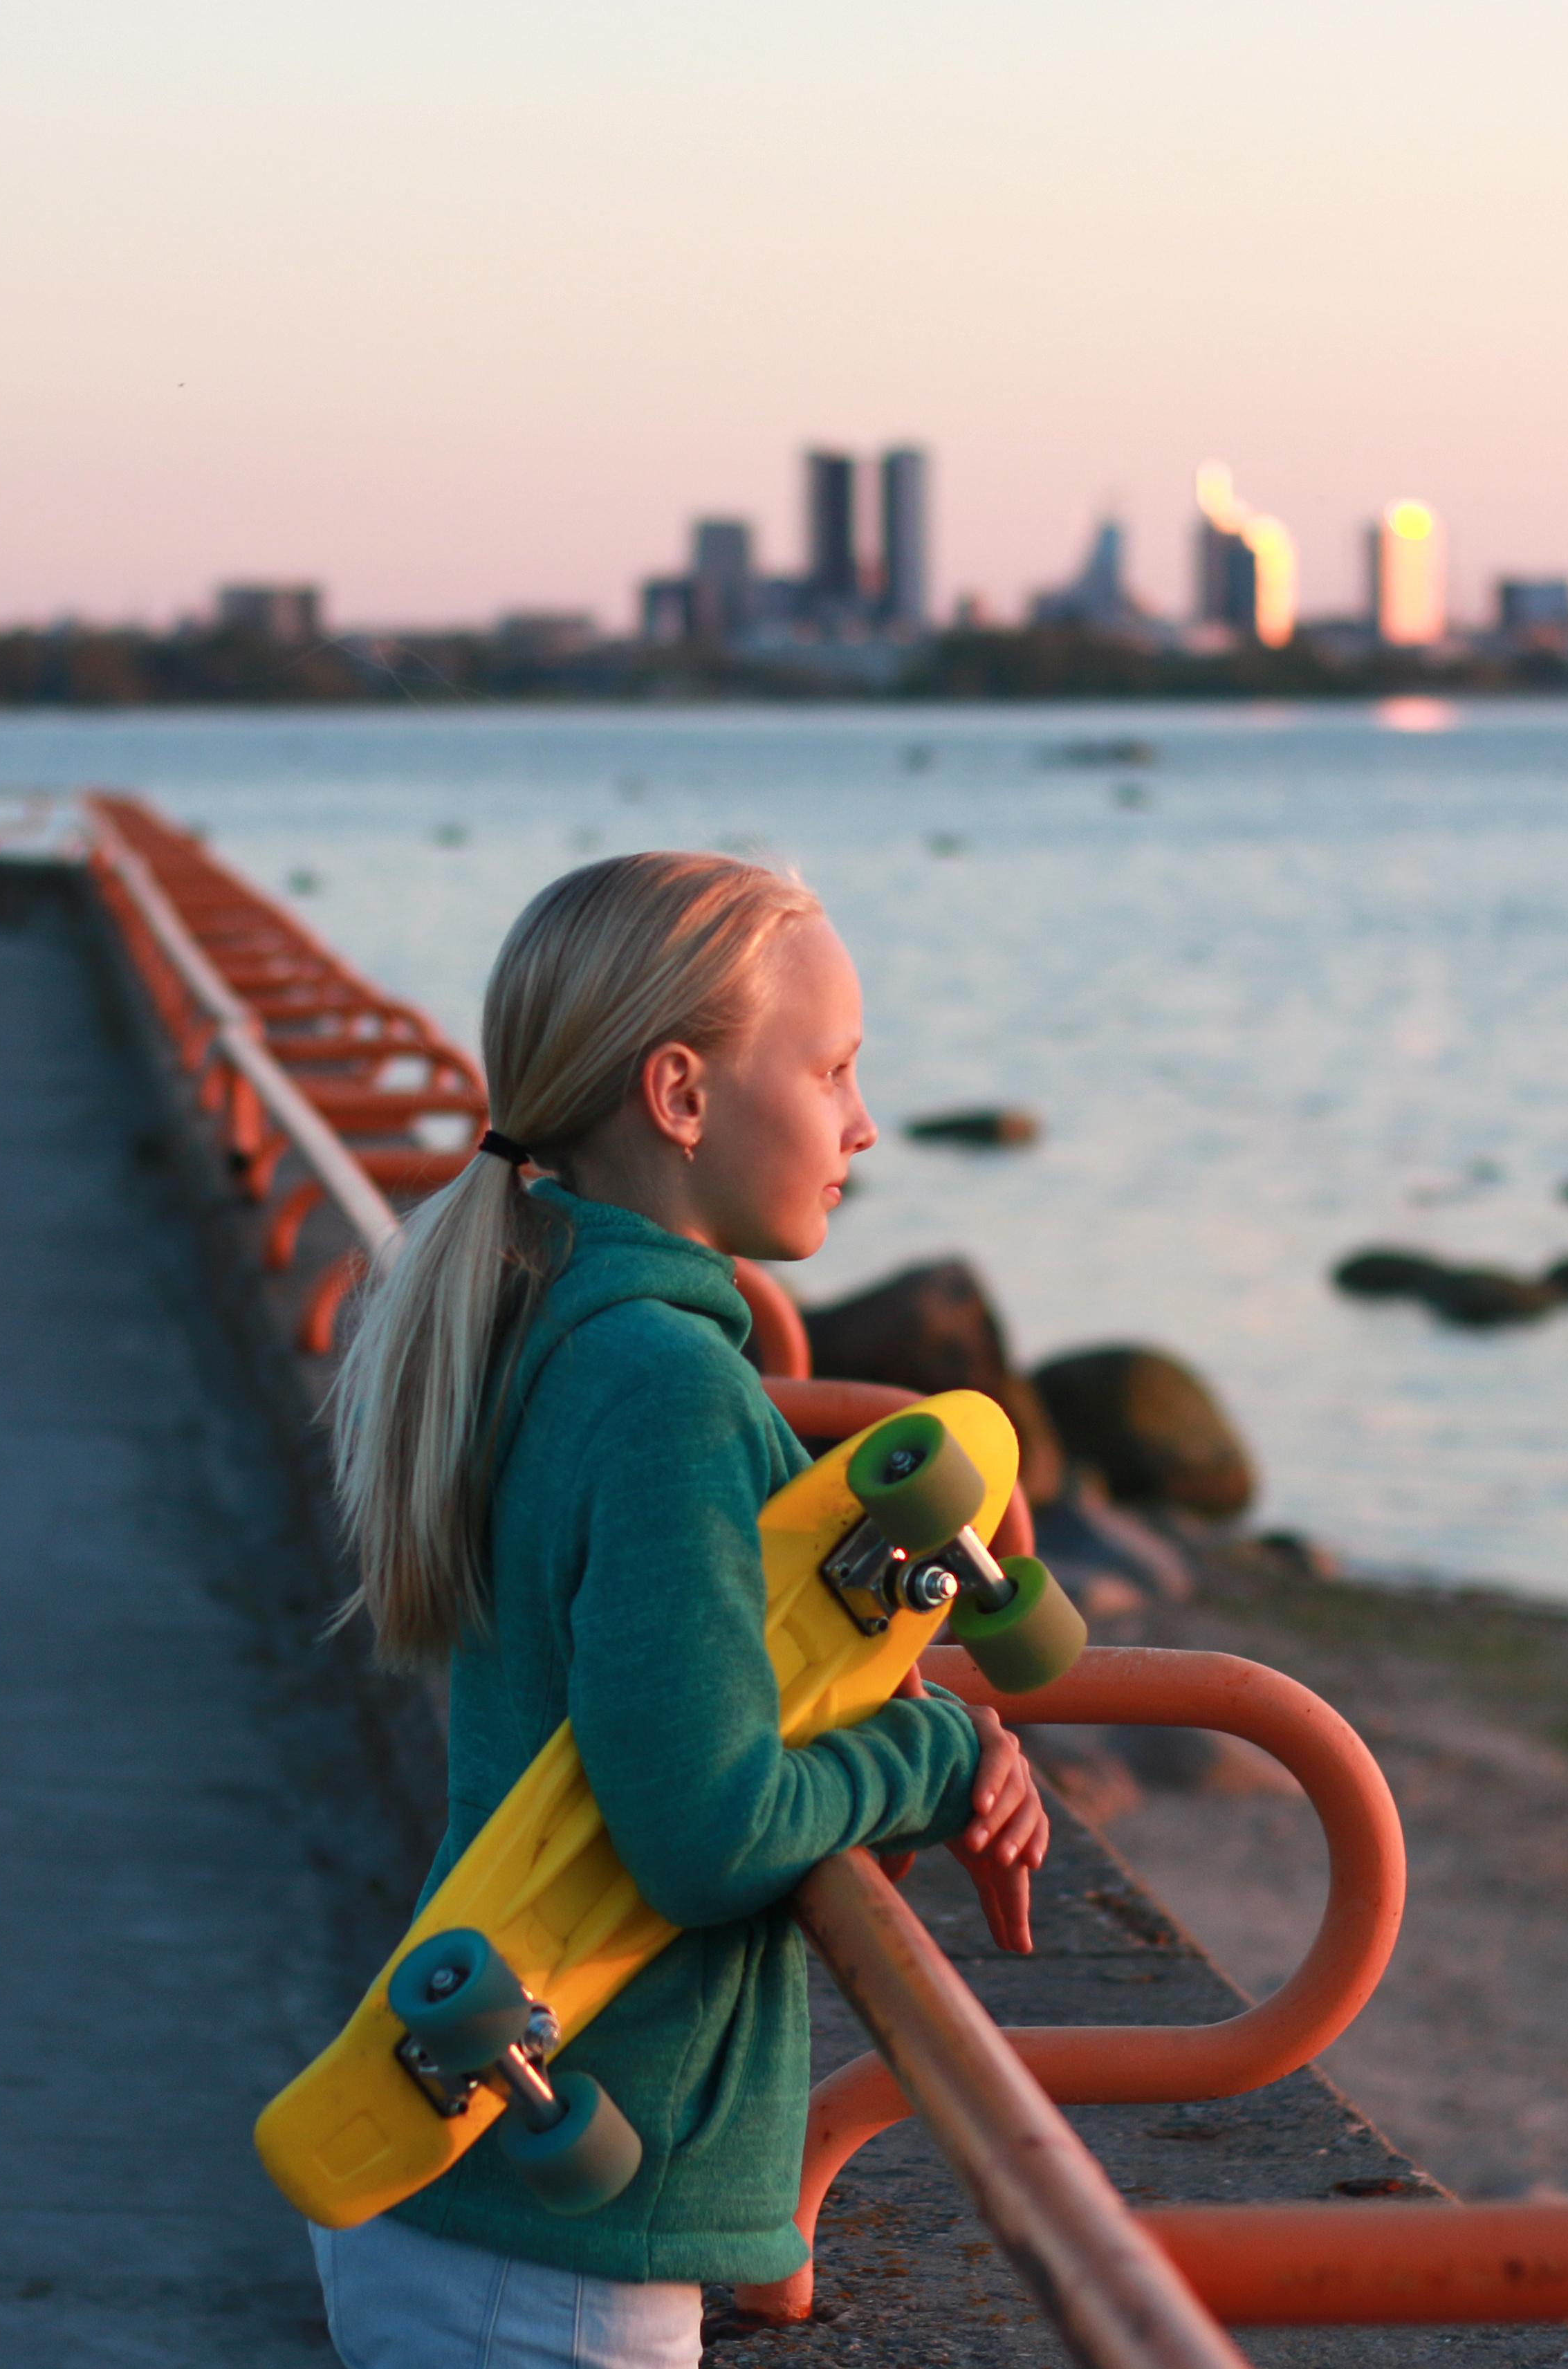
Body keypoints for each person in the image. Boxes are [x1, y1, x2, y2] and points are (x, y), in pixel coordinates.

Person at [313, 853, 1049, 2369]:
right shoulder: (665, 1390)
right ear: (680, 1093)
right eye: (835, 1068)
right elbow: (705, 1824)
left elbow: (691, 1692)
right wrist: (946, 1755)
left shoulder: (548, 1317)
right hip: (552, 2256)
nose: (861, 1121)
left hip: (497, 2188)